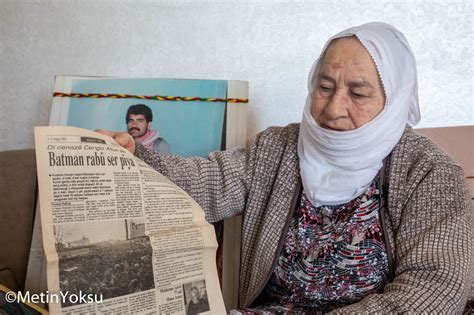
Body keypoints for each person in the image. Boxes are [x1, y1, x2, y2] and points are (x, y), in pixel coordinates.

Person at [99, 22, 471, 313]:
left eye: (357, 94)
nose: (333, 107)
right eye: (325, 87)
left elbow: (434, 290)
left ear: (394, 99)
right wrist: (134, 157)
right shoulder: (277, 147)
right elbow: (210, 183)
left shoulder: (428, 173)